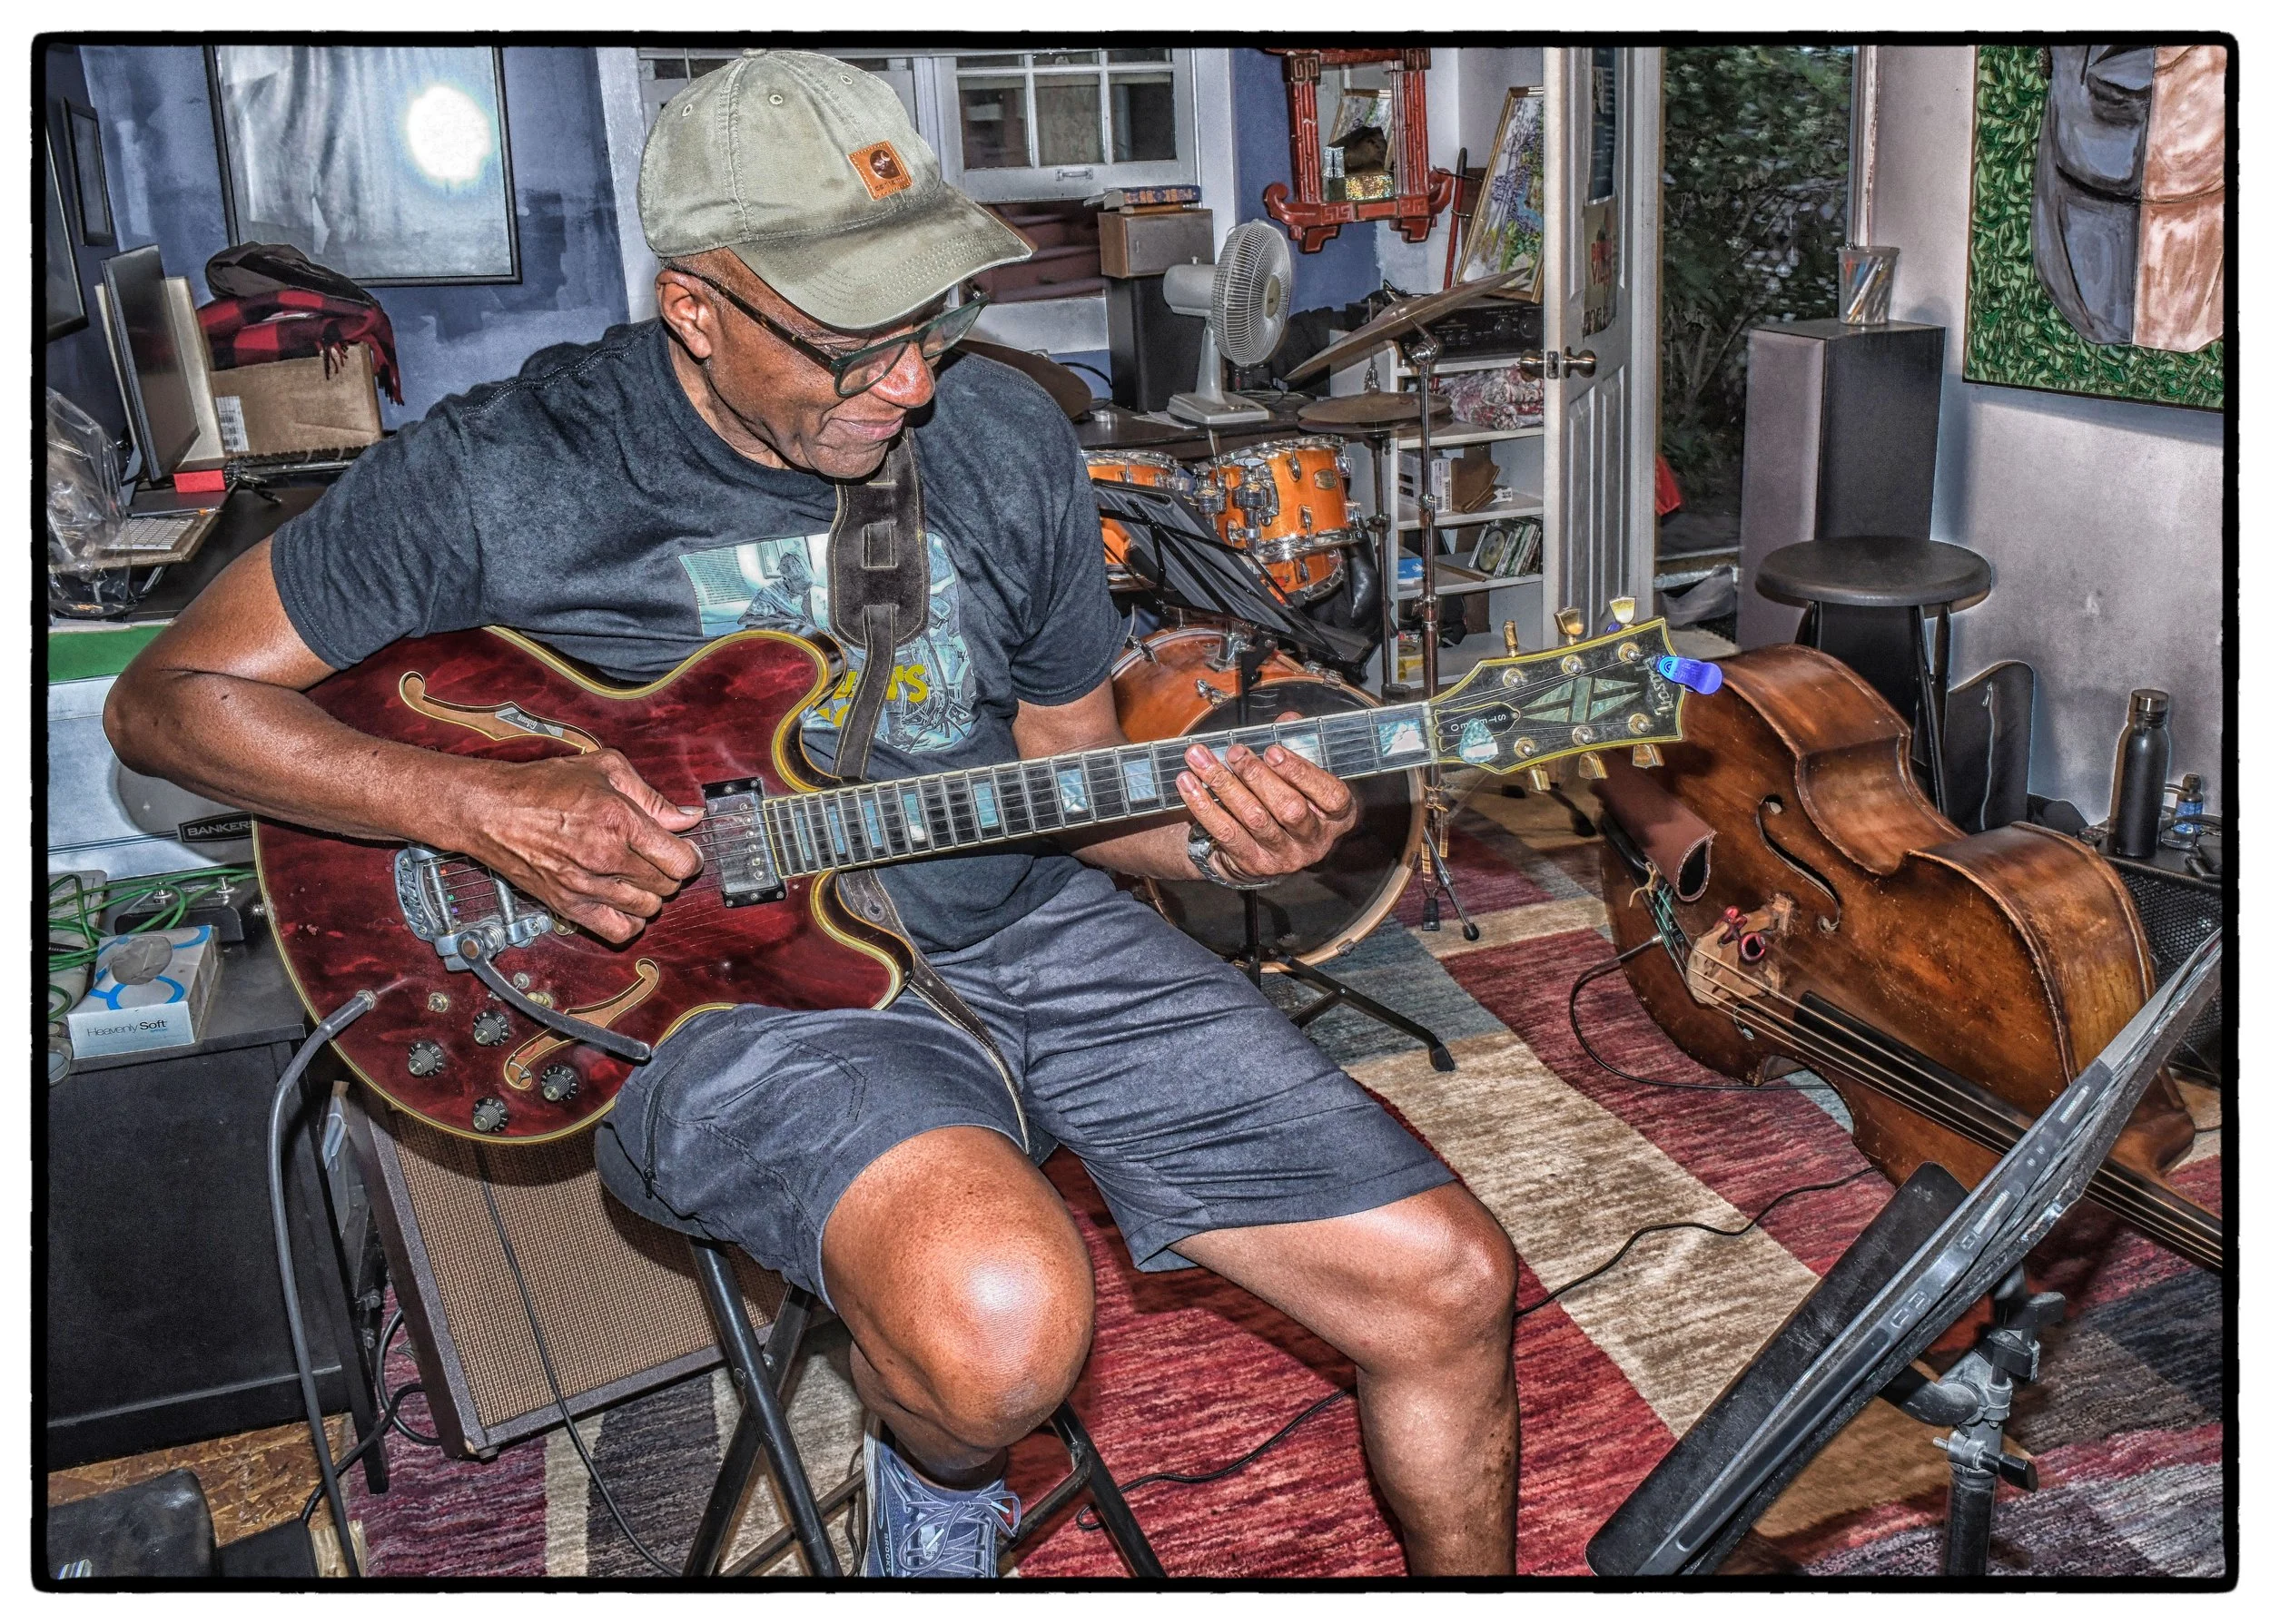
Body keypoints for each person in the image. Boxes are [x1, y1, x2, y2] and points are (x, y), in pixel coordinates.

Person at [105, 51, 1519, 1578]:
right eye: (854, 345)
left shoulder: (1001, 437)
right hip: (714, 993)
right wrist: (471, 801)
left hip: (1017, 923)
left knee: (1449, 1286)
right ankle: (937, 1481)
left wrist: (1224, 834)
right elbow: (166, 705)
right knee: (999, 1324)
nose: (911, 383)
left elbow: (1073, 782)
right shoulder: (509, 466)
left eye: (933, 320)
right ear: (696, 310)